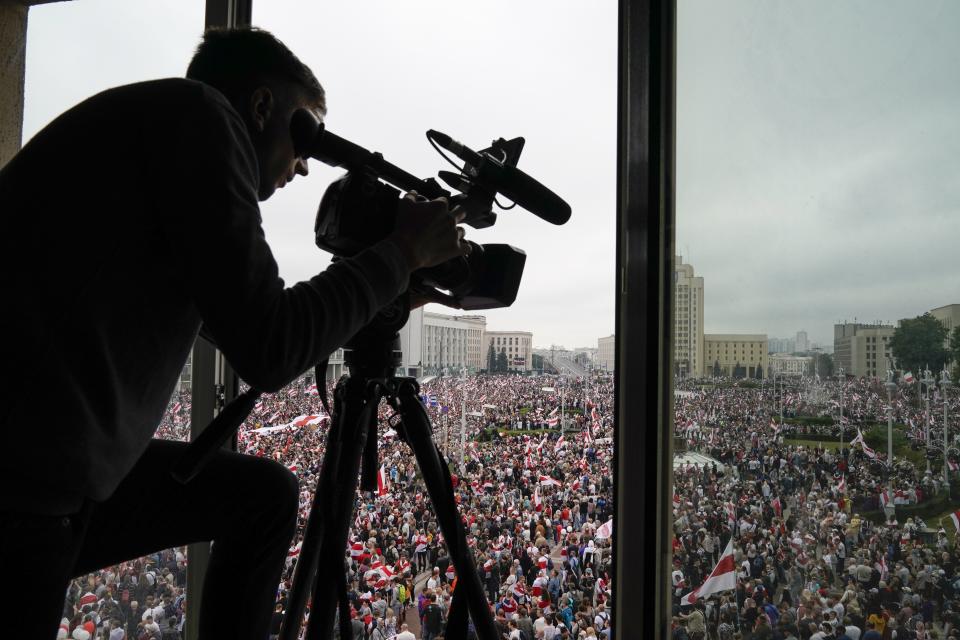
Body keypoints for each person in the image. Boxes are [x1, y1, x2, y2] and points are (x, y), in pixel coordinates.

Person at [0, 26, 470, 640]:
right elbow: (271, 346)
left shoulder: (150, 146)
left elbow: (259, 326)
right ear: (260, 106)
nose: (304, 167)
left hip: (43, 475)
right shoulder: (201, 117)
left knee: (261, 496)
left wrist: (381, 288)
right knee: (261, 498)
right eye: (307, 138)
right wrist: (399, 254)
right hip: (22, 498)